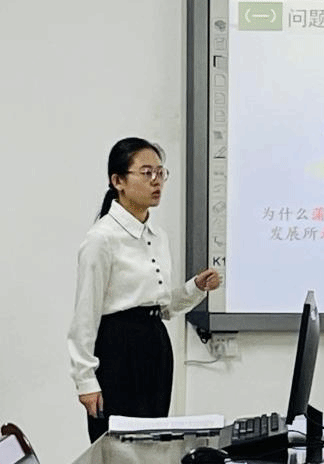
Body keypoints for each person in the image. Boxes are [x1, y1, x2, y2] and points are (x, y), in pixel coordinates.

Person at [67, 137, 221, 442]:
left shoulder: (157, 235)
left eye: (160, 173)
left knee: (153, 444)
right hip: (117, 350)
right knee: (118, 447)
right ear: (118, 181)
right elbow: (85, 315)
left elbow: (162, 307)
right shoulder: (101, 238)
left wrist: (195, 288)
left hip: (155, 346)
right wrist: (85, 380)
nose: (156, 181)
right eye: (146, 172)